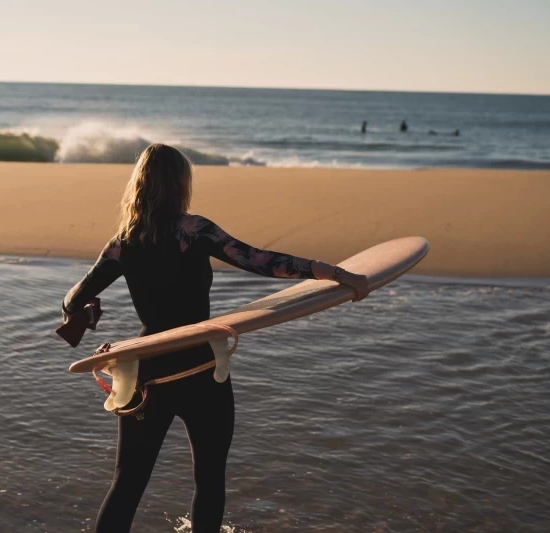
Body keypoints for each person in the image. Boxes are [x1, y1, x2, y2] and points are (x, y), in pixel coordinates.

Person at [61, 144, 370, 533]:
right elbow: (260, 261)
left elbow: (71, 299)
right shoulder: (195, 231)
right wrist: (335, 273)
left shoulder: (122, 243)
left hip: (146, 369)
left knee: (127, 483)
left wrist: (86, 313)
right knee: (208, 479)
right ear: (179, 184)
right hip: (201, 367)